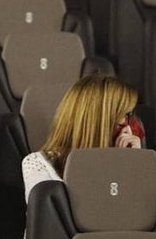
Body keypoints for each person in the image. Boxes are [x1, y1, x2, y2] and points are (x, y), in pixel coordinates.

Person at [21, 73, 145, 203]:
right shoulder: (38, 164)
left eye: (128, 115)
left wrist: (133, 164)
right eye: (121, 114)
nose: (125, 123)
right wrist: (112, 168)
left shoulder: (129, 160)